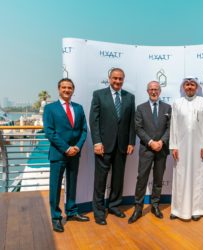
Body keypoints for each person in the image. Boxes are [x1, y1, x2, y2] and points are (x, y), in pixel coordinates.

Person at [89, 68, 136, 225]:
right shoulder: (98, 95)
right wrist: (96, 142)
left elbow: (131, 123)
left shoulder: (129, 97)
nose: (117, 81)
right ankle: (99, 211)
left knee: (118, 179)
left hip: (122, 146)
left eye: (120, 79)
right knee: (100, 180)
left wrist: (131, 142)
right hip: (103, 146)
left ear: (123, 79)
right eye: (115, 78)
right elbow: (93, 120)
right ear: (109, 79)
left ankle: (115, 206)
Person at [43, 78, 89, 233]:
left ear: (73, 90)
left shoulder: (79, 108)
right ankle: (56, 218)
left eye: (69, 88)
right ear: (59, 89)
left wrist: (76, 147)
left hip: (75, 153)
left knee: (72, 184)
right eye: (64, 87)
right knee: (55, 187)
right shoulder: (50, 109)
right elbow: (50, 132)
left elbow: (83, 130)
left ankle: (71, 212)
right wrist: (66, 148)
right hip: (58, 154)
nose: (67, 90)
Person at [128, 81, 172, 224]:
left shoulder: (167, 107)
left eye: (156, 89)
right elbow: (138, 128)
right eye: (151, 89)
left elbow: (170, 128)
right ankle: (138, 208)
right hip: (146, 149)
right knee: (142, 179)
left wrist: (161, 142)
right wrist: (151, 142)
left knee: (158, 180)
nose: (154, 92)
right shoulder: (140, 108)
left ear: (160, 91)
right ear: (147, 91)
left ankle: (155, 205)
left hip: (162, 149)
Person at [169, 77, 203, 221]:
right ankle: (177, 209)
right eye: (187, 85)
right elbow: (173, 126)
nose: (189, 87)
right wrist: (173, 146)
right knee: (180, 176)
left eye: (192, 84)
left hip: (198, 147)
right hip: (180, 147)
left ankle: (197, 209)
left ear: (197, 87)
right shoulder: (177, 103)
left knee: (198, 176)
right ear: (183, 87)